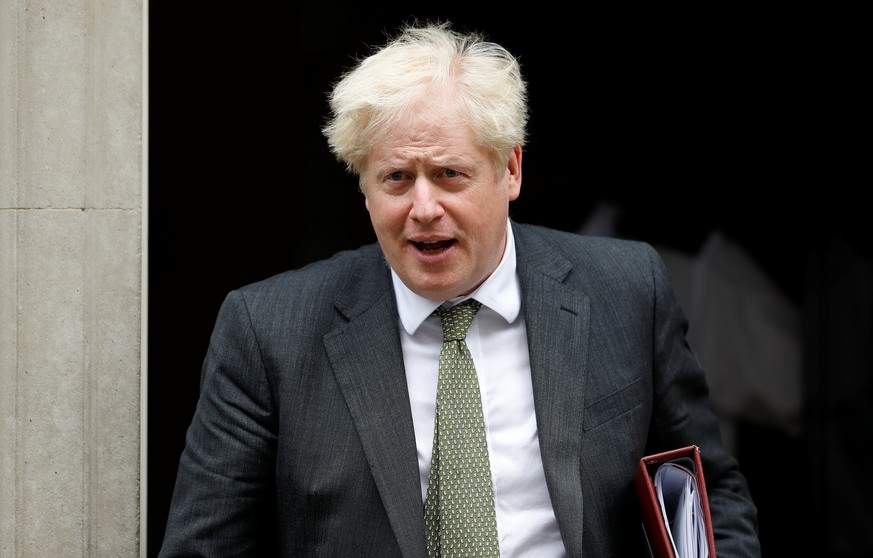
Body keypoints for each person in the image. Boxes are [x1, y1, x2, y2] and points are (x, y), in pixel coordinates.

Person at [158, 21, 761, 557]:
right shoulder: (268, 331)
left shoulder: (626, 291)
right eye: (396, 178)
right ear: (363, 189)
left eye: (450, 174)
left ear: (511, 171)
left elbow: (710, 498)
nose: (424, 208)